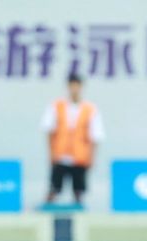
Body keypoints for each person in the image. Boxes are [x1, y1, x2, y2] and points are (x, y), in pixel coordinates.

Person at [41, 73, 105, 205]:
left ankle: (78, 213)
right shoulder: (57, 106)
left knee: (78, 191)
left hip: (79, 157)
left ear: (81, 87)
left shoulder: (90, 109)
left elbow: (96, 136)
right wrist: (51, 153)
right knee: (54, 189)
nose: (74, 89)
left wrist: (91, 157)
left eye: (77, 86)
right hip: (60, 155)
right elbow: (49, 130)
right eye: (72, 86)